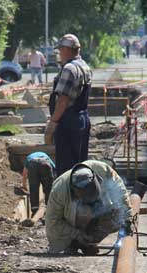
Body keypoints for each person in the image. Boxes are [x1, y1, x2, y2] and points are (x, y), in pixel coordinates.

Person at [45, 160, 131, 255]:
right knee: (84, 213)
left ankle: (90, 240)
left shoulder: (103, 170)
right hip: (72, 221)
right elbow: (53, 221)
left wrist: (128, 219)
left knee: (116, 215)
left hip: (97, 209)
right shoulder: (59, 190)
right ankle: (75, 243)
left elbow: (122, 195)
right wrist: (77, 234)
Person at [44, 33, 92, 177]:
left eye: (60, 50)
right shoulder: (85, 66)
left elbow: (63, 100)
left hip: (68, 122)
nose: (59, 53)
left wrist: (52, 123)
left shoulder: (69, 69)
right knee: (80, 165)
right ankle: (79, 196)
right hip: (82, 119)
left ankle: (68, 198)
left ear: (66, 49)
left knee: (66, 169)